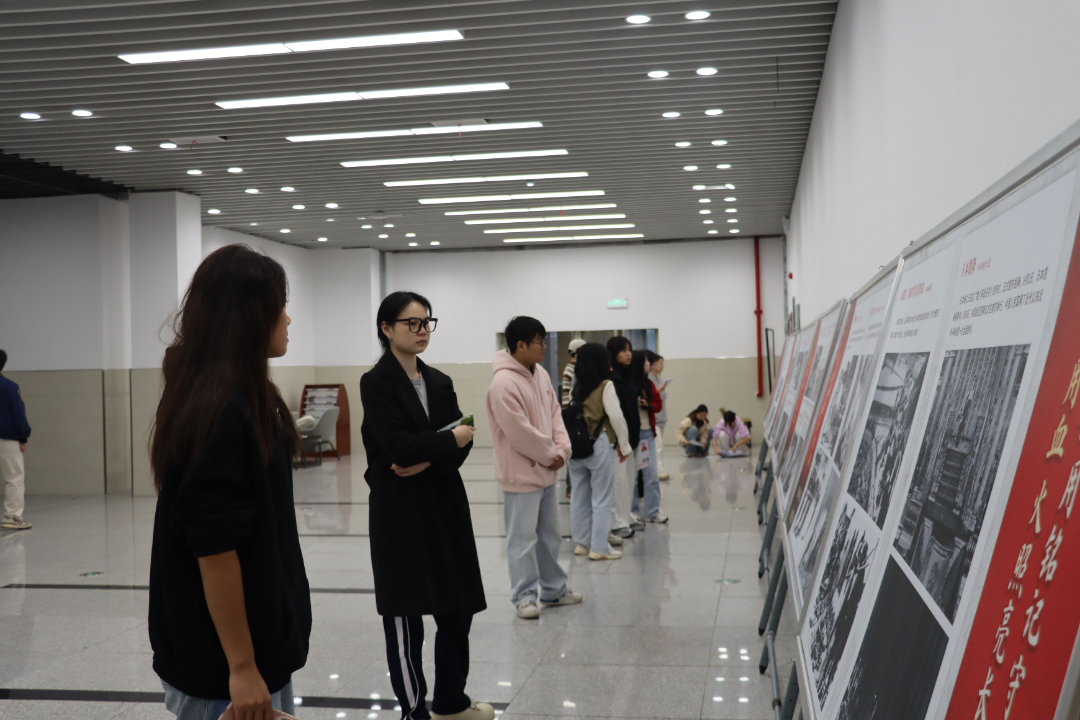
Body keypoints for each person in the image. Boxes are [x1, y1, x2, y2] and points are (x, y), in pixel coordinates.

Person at [148, 245, 310, 720]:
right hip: (226, 673)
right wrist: (241, 667)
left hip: (255, 656)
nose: (287, 318)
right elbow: (214, 548)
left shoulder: (240, 396)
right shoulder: (222, 410)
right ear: (247, 316)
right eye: (279, 305)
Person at [360, 291, 493, 720]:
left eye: (426, 323)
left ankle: (451, 700)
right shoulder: (376, 383)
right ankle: (413, 712)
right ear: (387, 329)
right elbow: (398, 446)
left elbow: (464, 440)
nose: (421, 331)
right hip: (400, 513)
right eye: (412, 323)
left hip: (444, 506)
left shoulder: (439, 381)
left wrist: (430, 456)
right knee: (405, 616)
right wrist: (447, 441)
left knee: (457, 607)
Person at [486, 316, 582, 619]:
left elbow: (555, 414)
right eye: (540, 342)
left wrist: (562, 449)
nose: (544, 347)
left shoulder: (539, 373)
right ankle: (524, 597)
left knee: (550, 537)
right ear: (520, 345)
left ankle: (554, 589)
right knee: (522, 541)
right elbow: (519, 432)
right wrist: (550, 454)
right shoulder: (503, 383)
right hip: (521, 475)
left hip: (546, 470)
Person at [567, 343, 631, 560]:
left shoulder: (576, 388)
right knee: (603, 498)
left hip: (576, 447)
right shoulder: (606, 385)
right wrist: (624, 445)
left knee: (579, 497)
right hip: (599, 444)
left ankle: (582, 543)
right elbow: (616, 417)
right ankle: (599, 547)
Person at [606, 336, 640, 536]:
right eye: (623, 350)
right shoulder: (612, 379)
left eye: (629, 350)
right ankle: (618, 521)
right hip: (619, 441)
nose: (628, 354)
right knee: (619, 481)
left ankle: (627, 515)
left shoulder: (628, 376)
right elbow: (616, 415)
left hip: (631, 438)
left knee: (628, 479)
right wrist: (621, 440)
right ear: (613, 353)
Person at [631, 350, 666, 523]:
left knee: (651, 475)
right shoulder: (627, 383)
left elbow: (658, 404)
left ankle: (653, 512)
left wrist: (648, 405)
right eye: (645, 361)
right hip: (632, 435)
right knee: (632, 476)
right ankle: (633, 512)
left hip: (648, 433)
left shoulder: (649, 384)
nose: (648, 364)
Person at [0, 350, 32, 530]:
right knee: (14, 477)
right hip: (6, 438)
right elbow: (18, 414)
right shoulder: (9, 387)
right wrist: (23, 435)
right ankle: (11, 516)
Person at [560, 339, 586, 498]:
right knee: (574, 450)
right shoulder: (573, 369)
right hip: (573, 415)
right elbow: (569, 395)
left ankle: (570, 488)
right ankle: (570, 488)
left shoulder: (570, 367)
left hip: (569, 415)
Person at [645, 351, 671, 481]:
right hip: (653, 418)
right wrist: (659, 389)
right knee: (657, 445)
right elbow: (651, 397)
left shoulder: (660, 380)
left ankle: (658, 469)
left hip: (661, 417)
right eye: (660, 363)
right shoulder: (648, 380)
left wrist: (665, 415)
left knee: (660, 446)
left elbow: (662, 400)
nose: (662, 366)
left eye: (663, 364)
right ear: (653, 364)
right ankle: (658, 471)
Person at [561, 339, 586, 408]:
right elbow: (566, 393)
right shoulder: (571, 369)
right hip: (572, 408)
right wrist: (567, 410)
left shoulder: (575, 367)